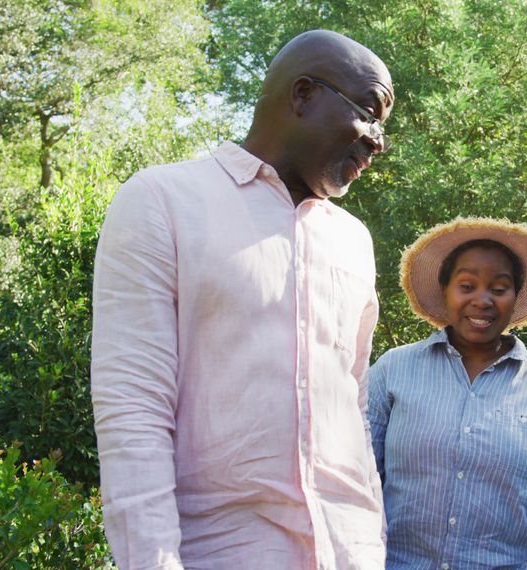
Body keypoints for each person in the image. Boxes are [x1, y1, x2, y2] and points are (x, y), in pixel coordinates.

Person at [91, 30, 394, 569]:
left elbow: (355, 404)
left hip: (350, 552)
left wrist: (371, 542)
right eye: (369, 113)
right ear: (302, 95)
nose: (377, 140)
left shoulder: (354, 242)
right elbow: (133, 410)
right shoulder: (162, 201)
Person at [367, 217, 527, 569]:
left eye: (499, 287)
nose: (483, 299)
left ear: (516, 297)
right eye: (467, 285)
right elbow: (356, 476)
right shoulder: (393, 371)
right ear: (445, 290)